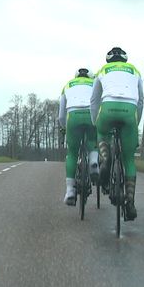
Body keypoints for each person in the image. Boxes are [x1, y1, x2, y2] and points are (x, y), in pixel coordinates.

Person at [90, 47, 144, 221]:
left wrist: (95, 122)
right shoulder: (135, 71)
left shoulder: (102, 71)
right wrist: (137, 121)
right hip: (130, 112)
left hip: (107, 109)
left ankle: (105, 159)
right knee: (129, 160)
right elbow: (141, 100)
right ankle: (130, 203)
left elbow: (94, 100)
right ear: (124, 60)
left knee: (102, 133)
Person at [58, 68, 99, 206]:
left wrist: (64, 127)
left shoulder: (68, 85)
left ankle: (70, 191)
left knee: (72, 153)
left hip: (73, 116)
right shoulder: (94, 83)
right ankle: (94, 162)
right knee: (93, 140)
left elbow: (61, 115)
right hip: (90, 114)